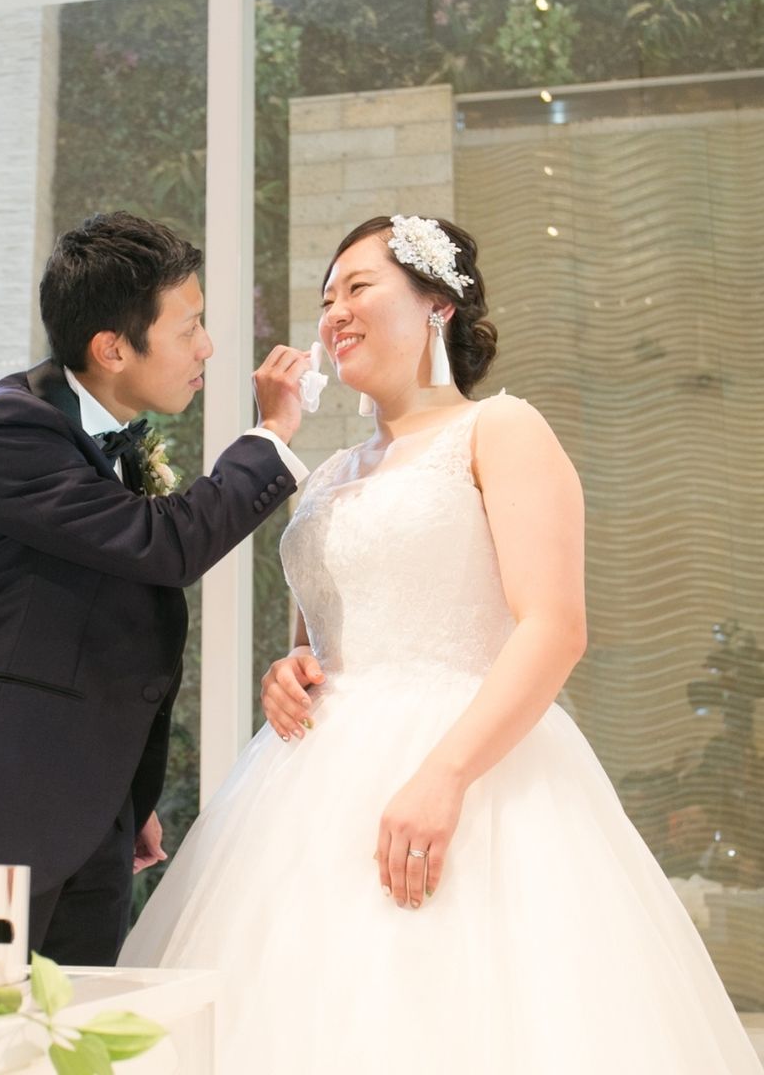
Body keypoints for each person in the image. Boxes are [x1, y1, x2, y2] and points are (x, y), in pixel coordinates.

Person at [120, 215, 763, 1073]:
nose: (334, 313)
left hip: (473, 771)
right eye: (326, 298)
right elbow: (320, 638)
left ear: (438, 306)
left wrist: (445, 775)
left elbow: (554, 626)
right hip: (307, 790)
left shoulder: (501, 429)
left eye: (358, 287)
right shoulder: (331, 471)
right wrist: (288, 670)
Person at [0, 211, 310, 966]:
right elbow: (166, 545)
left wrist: (121, 796)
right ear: (112, 348)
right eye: (189, 327)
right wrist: (271, 434)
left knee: (74, 1025)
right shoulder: (11, 428)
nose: (207, 347)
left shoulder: (108, 442)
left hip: (94, 819)